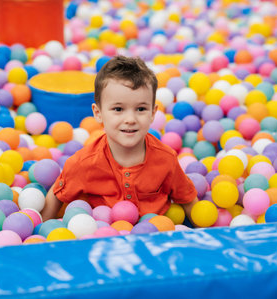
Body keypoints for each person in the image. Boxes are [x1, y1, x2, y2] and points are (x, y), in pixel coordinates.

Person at [40, 55, 199, 225]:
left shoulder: (166, 159)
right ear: (98, 113)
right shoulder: (83, 163)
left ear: (153, 113)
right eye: (118, 109)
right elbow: (56, 197)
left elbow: (188, 200)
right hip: (101, 235)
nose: (130, 119)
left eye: (140, 109)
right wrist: (40, 229)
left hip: (153, 235)